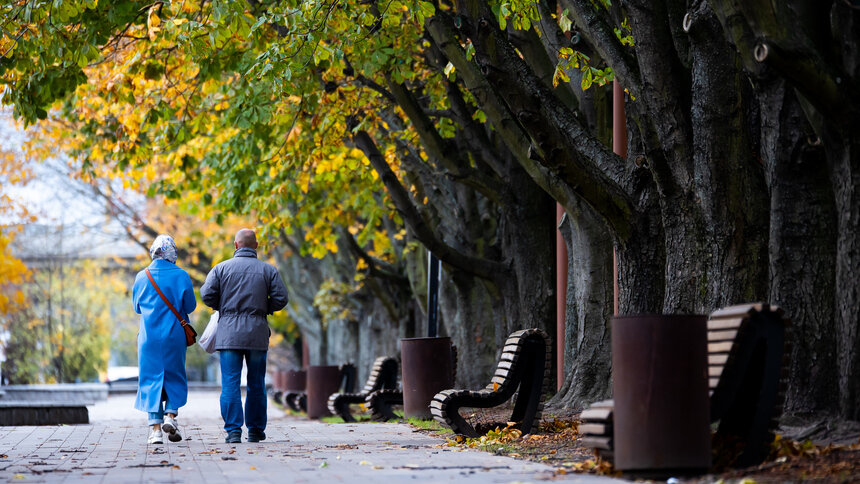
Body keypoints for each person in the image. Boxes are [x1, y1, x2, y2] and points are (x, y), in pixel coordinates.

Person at [201, 228, 288, 443]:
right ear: (256, 246)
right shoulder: (268, 271)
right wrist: (264, 308)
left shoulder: (220, 269)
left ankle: (233, 431)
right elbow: (281, 298)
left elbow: (207, 295)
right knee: (256, 382)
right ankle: (256, 430)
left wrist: (224, 306)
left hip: (228, 334)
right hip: (257, 334)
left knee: (230, 382)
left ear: (235, 244)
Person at [132, 234, 197, 445]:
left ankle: (155, 432)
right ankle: (170, 415)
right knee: (174, 375)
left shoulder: (142, 276)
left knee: (151, 379)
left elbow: (136, 307)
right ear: (173, 252)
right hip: (174, 336)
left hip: (149, 338)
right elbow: (190, 307)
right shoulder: (182, 275)